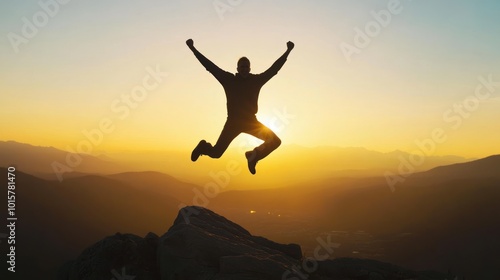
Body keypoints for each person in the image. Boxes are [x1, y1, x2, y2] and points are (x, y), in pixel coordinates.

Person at [186, 38, 294, 174]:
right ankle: (203, 147)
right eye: (241, 67)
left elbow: (274, 70)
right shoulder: (228, 80)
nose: (244, 69)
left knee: (274, 142)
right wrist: (193, 49)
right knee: (216, 153)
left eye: (246, 67)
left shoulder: (256, 80)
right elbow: (210, 66)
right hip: (233, 123)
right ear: (237, 68)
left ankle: (253, 156)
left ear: (250, 68)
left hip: (251, 123)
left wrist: (288, 51)